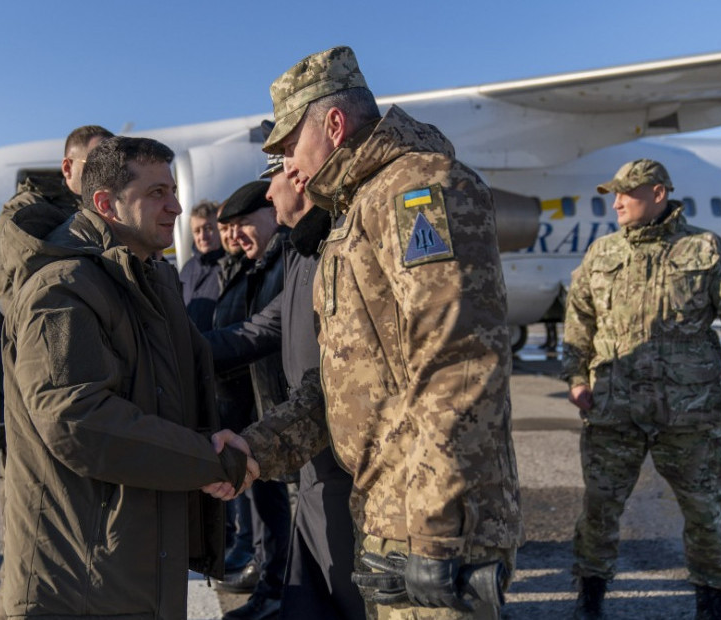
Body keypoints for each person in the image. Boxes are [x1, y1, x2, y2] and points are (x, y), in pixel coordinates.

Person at [216, 46, 524, 619]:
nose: (286, 168)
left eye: (288, 148)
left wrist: (436, 531)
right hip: (386, 513)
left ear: (333, 124)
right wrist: (257, 449)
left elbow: (457, 363)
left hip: (432, 523)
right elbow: (346, 382)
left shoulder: (420, 190)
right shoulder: (351, 215)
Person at [0, 136, 255, 618]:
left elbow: (163, 398)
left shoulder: (148, 279)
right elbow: (79, 421)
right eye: (156, 193)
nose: (176, 207)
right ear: (105, 204)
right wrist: (209, 461)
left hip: (131, 560)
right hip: (82, 580)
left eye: (173, 190)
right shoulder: (61, 289)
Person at [562, 158, 721, 619]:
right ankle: (590, 597)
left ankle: (714, 600)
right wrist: (576, 378)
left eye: (627, 192)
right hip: (614, 409)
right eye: (614, 193)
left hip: (690, 410)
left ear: (658, 193)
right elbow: (579, 319)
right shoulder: (601, 253)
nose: (616, 202)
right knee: (598, 510)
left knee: (705, 512)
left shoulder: (705, 248)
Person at [206, 133, 365, 620]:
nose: (270, 194)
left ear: (300, 179)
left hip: (339, 455)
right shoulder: (303, 251)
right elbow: (262, 328)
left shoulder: (334, 248)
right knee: (312, 598)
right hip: (311, 453)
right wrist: (180, 353)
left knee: (347, 595)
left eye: (273, 180)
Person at [213, 180, 293, 620]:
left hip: (282, 407)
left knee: (285, 508)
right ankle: (270, 579)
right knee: (265, 506)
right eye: (229, 228)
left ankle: (278, 588)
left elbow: (261, 332)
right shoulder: (252, 265)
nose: (235, 236)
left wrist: (194, 349)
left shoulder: (286, 261)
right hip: (253, 409)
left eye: (244, 225)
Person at [0, 124, 114, 311]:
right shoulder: (28, 210)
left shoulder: (116, 207)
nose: (106, 173)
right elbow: (12, 292)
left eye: (114, 166)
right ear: (68, 167)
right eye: (96, 164)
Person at [179, 199, 225, 331]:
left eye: (208, 228)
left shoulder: (231, 265)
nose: (203, 236)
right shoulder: (187, 269)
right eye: (197, 231)